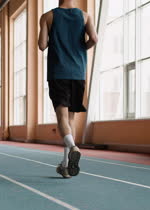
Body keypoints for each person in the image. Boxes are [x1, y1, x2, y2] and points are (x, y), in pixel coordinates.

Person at [38, 0, 98, 178]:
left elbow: (42, 45)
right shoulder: (85, 16)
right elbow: (94, 39)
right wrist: (81, 48)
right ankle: (65, 165)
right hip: (78, 73)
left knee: (62, 119)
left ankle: (73, 147)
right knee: (70, 119)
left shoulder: (48, 16)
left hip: (58, 72)